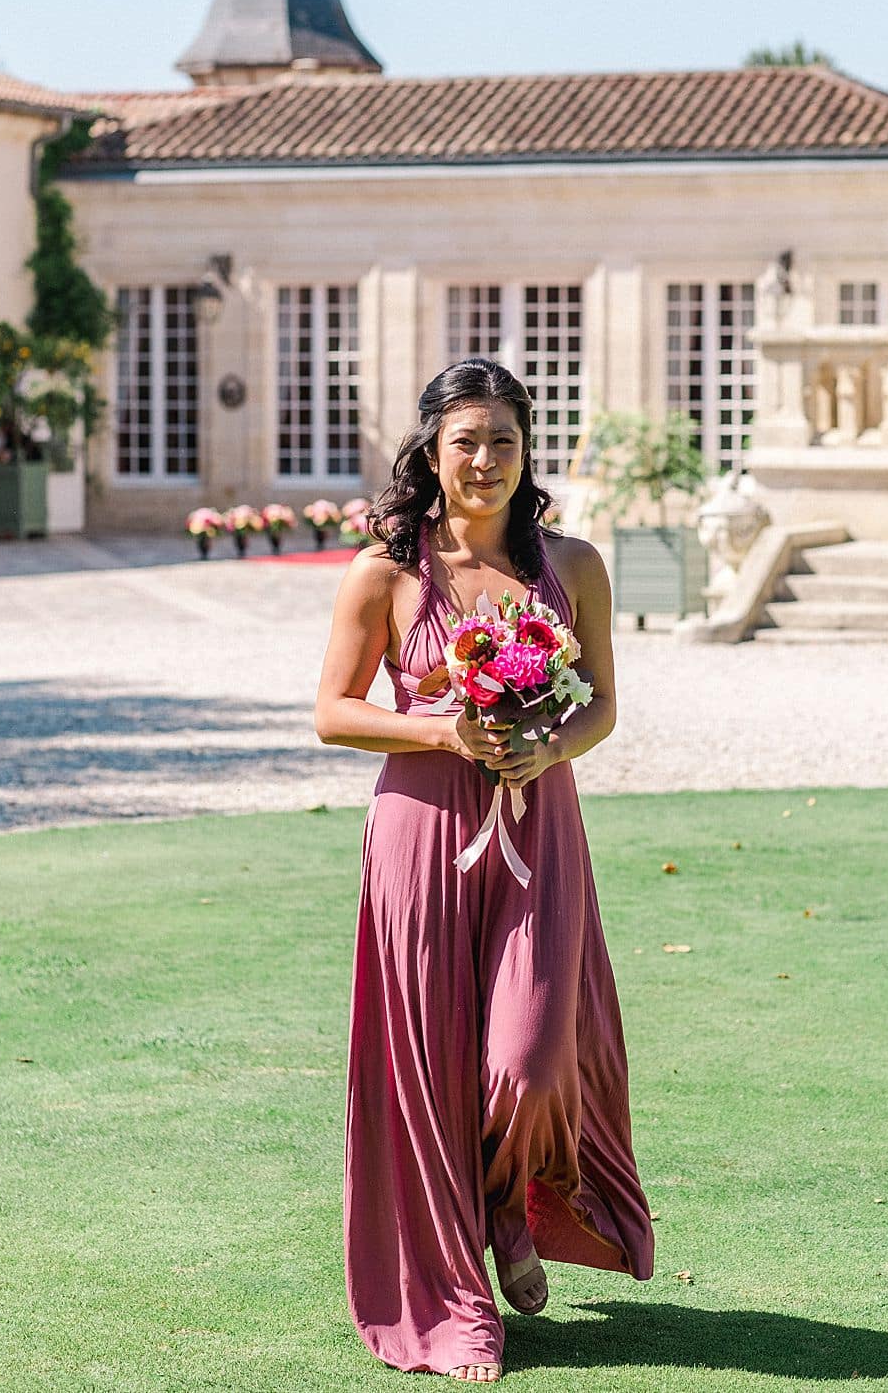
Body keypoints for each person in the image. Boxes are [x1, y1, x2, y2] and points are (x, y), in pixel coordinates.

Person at [315, 359, 655, 1381]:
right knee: (428, 1068)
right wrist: (443, 735)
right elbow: (333, 713)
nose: (483, 458)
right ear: (430, 450)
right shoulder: (385, 572)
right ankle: (456, 1295)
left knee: (529, 1058)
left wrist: (550, 746)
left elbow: (597, 704)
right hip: (420, 832)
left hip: (536, 827)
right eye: (464, 439)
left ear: (525, 450)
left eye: (502, 439)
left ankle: (511, 1196)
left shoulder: (575, 565)